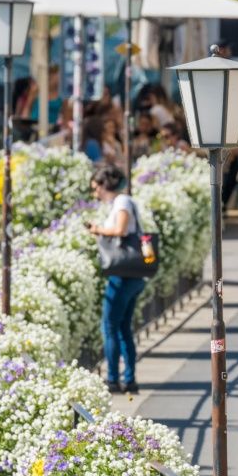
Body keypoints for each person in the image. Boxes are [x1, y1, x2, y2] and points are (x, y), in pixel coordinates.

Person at [85, 162, 148, 393]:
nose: (95, 193)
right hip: (133, 274)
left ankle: (112, 378)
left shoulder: (121, 202)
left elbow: (121, 230)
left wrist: (98, 229)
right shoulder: (122, 202)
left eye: (96, 188)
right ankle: (129, 378)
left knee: (109, 326)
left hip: (123, 274)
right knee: (123, 327)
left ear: (104, 185)